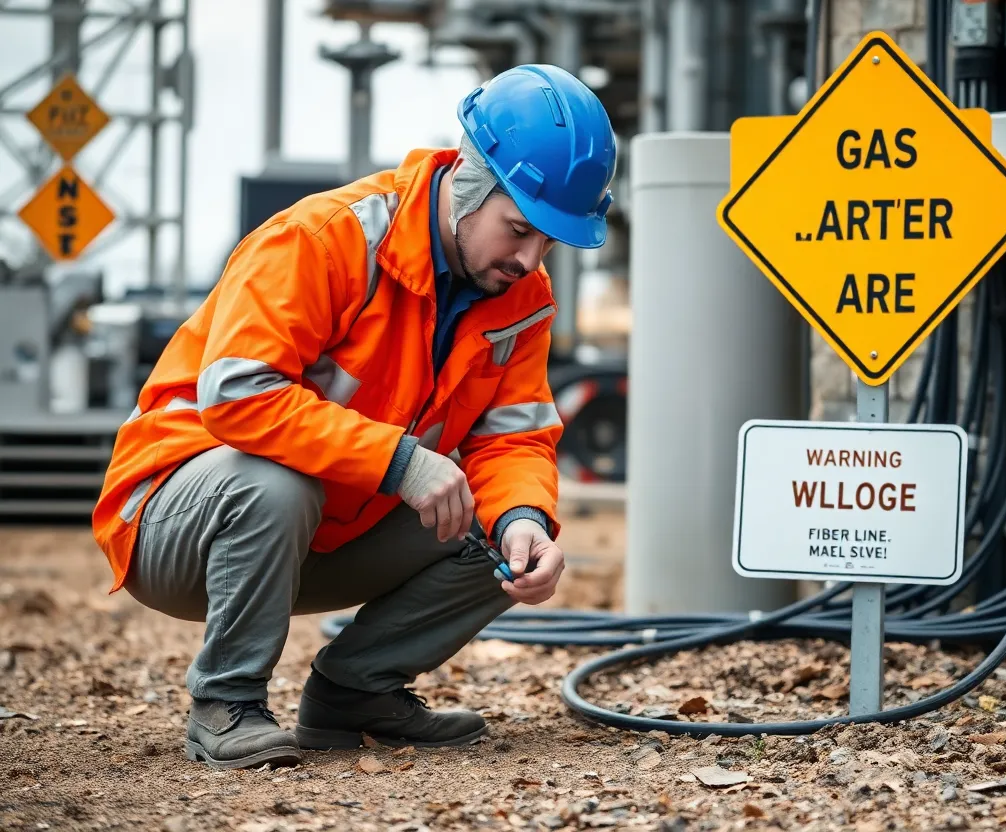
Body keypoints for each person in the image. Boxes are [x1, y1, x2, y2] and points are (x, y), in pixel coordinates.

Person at [91, 64, 617, 771]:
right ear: (469, 180)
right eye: (519, 229)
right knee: (276, 484)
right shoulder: (323, 239)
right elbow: (237, 396)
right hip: (175, 520)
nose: (529, 258)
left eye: (550, 241)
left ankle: (355, 693)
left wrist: (524, 517)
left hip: (332, 524)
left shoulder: (521, 294)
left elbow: (513, 434)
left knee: (501, 533)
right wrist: (403, 461)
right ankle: (228, 704)